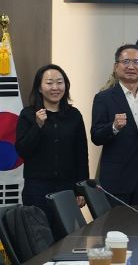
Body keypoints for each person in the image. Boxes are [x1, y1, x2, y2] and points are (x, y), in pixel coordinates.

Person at [15, 64, 88, 225]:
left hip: (67, 187)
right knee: (38, 234)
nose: (55, 87)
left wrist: (81, 189)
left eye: (59, 82)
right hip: (37, 188)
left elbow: (81, 155)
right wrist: (38, 126)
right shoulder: (28, 114)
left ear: (66, 86)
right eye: (49, 83)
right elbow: (22, 150)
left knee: (66, 234)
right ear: (39, 88)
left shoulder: (74, 115)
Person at [91, 44, 138, 205]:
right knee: (117, 221)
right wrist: (113, 127)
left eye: (137, 62)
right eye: (126, 61)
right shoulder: (104, 97)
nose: (131, 66)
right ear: (116, 66)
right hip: (117, 178)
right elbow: (96, 136)